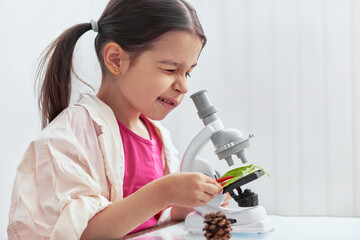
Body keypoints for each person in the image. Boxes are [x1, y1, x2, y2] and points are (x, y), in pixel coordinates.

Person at [7, 0, 231, 239]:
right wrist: (164, 191)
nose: (183, 86)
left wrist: (191, 199)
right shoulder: (69, 137)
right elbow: (80, 232)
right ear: (116, 60)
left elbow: (151, 218)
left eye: (187, 72)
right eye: (169, 70)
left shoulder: (157, 136)